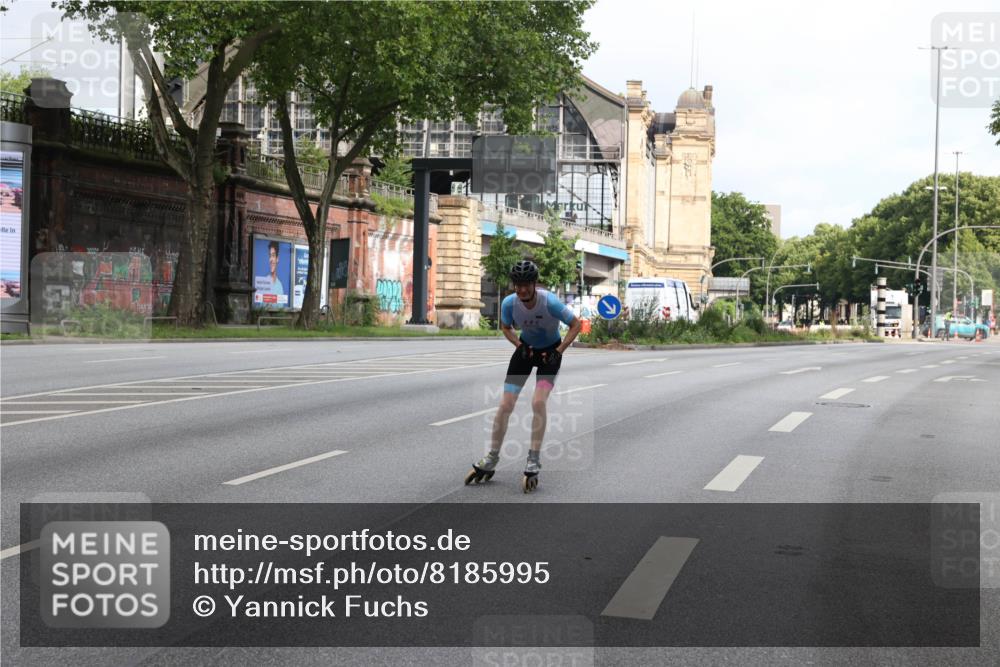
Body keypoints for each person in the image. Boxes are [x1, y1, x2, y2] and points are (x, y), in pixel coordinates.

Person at [464, 260, 583, 493]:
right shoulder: (510, 303)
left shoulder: (550, 302)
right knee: (505, 404)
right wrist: (519, 345)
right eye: (517, 285)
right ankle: (492, 458)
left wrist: (559, 352)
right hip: (526, 352)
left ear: (534, 284)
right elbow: (505, 327)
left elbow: (576, 325)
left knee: (538, 402)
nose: (521, 290)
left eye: (526, 285)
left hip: (550, 353)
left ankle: (533, 459)